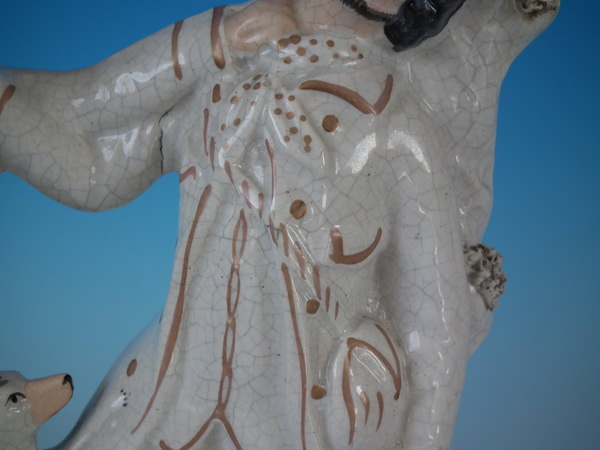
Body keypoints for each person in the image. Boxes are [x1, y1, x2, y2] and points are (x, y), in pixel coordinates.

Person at [0, 0, 558, 448]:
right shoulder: (223, 66)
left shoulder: (397, 125)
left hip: (312, 421)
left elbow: (431, 330)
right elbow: (94, 162)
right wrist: (208, 41)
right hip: (166, 399)